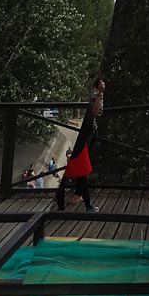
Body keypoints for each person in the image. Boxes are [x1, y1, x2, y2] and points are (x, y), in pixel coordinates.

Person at [55, 76, 104, 212]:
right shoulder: (95, 94)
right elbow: (94, 112)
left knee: (78, 171)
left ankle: (66, 203)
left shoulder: (94, 93)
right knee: (81, 170)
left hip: (85, 135)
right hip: (84, 136)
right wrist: (100, 94)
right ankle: (85, 205)